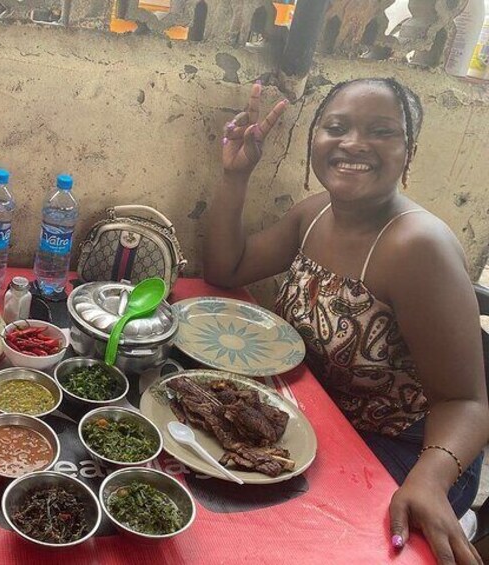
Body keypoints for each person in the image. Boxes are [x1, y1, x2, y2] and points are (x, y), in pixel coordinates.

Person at [204, 78, 489, 564]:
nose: (353, 143)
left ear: (408, 151)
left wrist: (429, 478)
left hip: (405, 450)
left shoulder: (419, 248)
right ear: (314, 139)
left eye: (381, 131)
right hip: (312, 420)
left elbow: (466, 401)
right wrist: (236, 177)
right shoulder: (314, 215)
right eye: (336, 127)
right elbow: (226, 268)